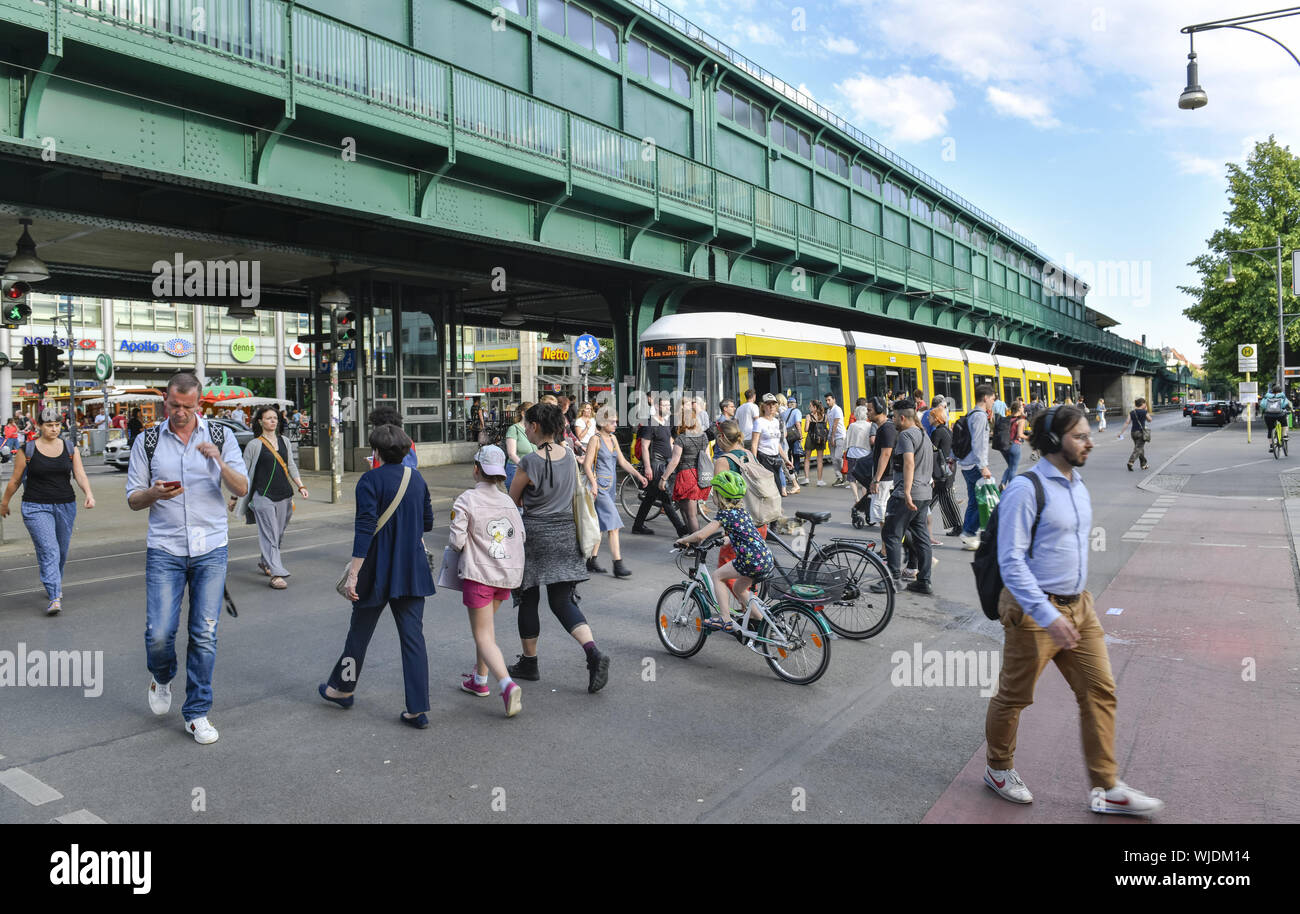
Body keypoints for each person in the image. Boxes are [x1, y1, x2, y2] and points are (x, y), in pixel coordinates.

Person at [984, 405, 1164, 816]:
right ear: (1052, 441)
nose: (1090, 441)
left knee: (1100, 691)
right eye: (1080, 436)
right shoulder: (1025, 489)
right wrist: (1049, 618)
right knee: (1015, 697)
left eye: (1088, 434)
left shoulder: (1077, 483)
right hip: (1035, 611)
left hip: (1080, 606)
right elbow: (1010, 562)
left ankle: (1106, 787)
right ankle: (998, 768)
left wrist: (1077, 605)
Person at [127, 372, 249, 745]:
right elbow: (133, 499)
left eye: (188, 406)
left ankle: (197, 712)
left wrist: (219, 463)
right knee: (160, 633)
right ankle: (162, 676)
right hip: (165, 548)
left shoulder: (220, 436)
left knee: (205, 633)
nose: (180, 413)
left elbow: (242, 488)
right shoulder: (147, 441)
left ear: (200, 404)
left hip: (210, 547)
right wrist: (153, 494)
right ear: (166, 401)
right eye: (174, 405)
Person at [321, 424, 435, 729]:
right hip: (412, 570)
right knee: (414, 639)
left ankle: (343, 688)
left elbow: (365, 529)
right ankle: (417, 708)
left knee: (359, 634)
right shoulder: (417, 478)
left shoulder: (369, 480)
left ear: (375, 452)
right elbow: (427, 522)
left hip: (376, 570)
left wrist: (353, 575)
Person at [507, 402, 610, 692]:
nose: (526, 429)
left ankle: (530, 662)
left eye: (527, 425)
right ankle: (593, 653)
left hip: (536, 536)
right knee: (562, 601)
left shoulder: (529, 462)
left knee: (528, 599)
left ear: (536, 427)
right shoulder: (569, 457)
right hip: (567, 534)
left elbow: (512, 499)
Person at [448, 445, 525, 717]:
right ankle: (479, 681)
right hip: (504, 576)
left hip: (479, 575)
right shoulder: (508, 502)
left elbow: (456, 542)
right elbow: (521, 537)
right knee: (487, 633)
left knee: (482, 635)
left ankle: (506, 684)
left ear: (476, 469)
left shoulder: (466, 500)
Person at [1, 408, 96, 614]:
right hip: (35, 507)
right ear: (39, 426)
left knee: (60, 551)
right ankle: (54, 595)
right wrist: (4, 503)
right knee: (49, 550)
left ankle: (53, 582)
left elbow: (79, 474)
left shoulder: (70, 448)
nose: (54, 429)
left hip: (65, 505)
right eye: (49, 425)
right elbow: (15, 480)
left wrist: (88, 493)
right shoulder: (28, 449)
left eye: (57, 425)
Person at [673, 470, 774, 632]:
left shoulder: (725, 514)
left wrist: (683, 540)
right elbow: (742, 533)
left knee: (717, 576)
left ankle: (725, 619)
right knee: (739, 589)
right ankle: (762, 623)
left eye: (715, 492)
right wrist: (725, 539)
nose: (713, 495)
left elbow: (700, 535)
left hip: (750, 560)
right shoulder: (742, 512)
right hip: (765, 558)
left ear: (720, 495)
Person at [230, 406, 308, 590]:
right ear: (260, 421)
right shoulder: (254, 445)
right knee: (270, 534)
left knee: (278, 533)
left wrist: (301, 486)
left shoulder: (285, 441)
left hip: (284, 495)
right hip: (262, 495)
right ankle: (276, 574)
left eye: (275, 418)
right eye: (268, 418)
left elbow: (291, 466)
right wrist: (235, 496)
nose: (273, 421)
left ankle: (266, 562)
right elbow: (243, 473)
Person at [874, 399, 933, 595]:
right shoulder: (924, 434)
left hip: (906, 495)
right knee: (922, 538)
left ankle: (891, 580)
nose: (892, 419)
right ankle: (924, 581)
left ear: (902, 417)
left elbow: (908, 463)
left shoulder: (906, 435)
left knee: (891, 534)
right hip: (924, 493)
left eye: (893, 416)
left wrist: (906, 492)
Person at [583, 413, 645, 578]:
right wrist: (594, 484)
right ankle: (618, 563)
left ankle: (591, 560)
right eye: (612, 421)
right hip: (599, 488)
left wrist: (638, 476)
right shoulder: (595, 440)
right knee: (613, 525)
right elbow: (587, 465)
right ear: (602, 423)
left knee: (601, 524)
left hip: (610, 488)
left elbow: (623, 462)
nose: (616, 424)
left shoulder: (613, 439)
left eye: (616, 421)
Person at [631, 396, 688, 537]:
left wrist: (674, 456)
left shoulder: (666, 422)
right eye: (665, 405)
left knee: (650, 496)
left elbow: (669, 441)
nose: (668, 407)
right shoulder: (649, 424)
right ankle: (680, 528)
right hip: (655, 465)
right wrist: (648, 467)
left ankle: (637, 525)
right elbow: (644, 447)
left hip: (666, 463)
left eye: (669, 405)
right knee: (666, 497)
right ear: (657, 406)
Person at [661, 403, 712, 533]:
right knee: (684, 509)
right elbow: (707, 457)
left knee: (691, 514)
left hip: (686, 476)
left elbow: (674, 461)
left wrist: (664, 478)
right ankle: (690, 539)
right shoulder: (704, 437)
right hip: (699, 475)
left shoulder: (681, 439)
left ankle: (697, 546)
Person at [958, 384, 996, 550]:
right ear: (986, 398)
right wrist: (983, 466)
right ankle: (968, 533)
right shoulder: (980, 416)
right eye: (993, 399)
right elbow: (978, 443)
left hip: (966, 463)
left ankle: (969, 534)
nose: (993, 403)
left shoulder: (970, 413)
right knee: (983, 501)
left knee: (974, 500)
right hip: (975, 464)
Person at [854, 397, 895, 527]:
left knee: (880, 510)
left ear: (880, 409)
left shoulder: (886, 429)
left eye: (870, 410)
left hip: (884, 478)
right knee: (881, 510)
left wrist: (876, 480)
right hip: (884, 477)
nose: (867, 413)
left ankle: (885, 546)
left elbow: (886, 454)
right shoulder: (883, 428)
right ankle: (886, 545)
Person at [749, 393, 793, 497]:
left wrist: (786, 460)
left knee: (776, 490)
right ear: (763, 406)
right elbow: (754, 444)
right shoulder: (759, 422)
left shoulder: (775, 422)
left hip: (776, 459)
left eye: (774, 404)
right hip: (764, 458)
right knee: (772, 489)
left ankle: (772, 511)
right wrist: (755, 463)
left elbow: (777, 443)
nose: (771, 406)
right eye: (768, 404)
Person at [929, 400, 962, 537]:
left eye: (931, 416)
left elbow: (933, 452)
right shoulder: (947, 430)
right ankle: (957, 526)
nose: (928, 418)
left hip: (942, 470)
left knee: (946, 497)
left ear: (936, 418)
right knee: (942, 496)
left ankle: (959, 526)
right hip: (949, 467)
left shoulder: (937, 433)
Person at [368, 404, 420, 469]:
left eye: (376, 426)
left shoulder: (392, 442)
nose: (375, 429)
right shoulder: (406, 440)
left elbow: (407, 467)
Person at [844, 404, 873, 515]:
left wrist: (845, 450)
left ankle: (856, 498)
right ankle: (864, 499)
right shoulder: (869, 425)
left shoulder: (852, 426)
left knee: (852, 478)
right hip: (865, 454)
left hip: (852, 454)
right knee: (865, 479)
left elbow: (847, 440)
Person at [503, 401, 535, 489]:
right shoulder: (513, 429)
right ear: (523, 413)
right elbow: (511, 454)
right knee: (515, 501)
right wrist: (525, 467)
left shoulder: (534, 429)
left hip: (532, 469)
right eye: (532, 413)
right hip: (515, 469)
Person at [1116, 397, 1153, 471]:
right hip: (1141, 432)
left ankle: (1143, 465)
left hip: (1133, 433)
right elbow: (1150, 420)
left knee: (1140, 448)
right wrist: (1146, 411)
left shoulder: (1132, 412)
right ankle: (1131, 462)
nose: (1145, 405)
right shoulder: (1144, 412)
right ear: (1142, 404)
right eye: (1145, 403)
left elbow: (1127, 422)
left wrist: (1121, 432)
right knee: (1138, 448)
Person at [1000, 402, 1028, 491]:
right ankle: (1013, 488)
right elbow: (1020, 435)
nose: (1023, 408)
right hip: (1014, 446)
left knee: (1010, 466)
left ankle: (1003, 483)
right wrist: (1030, 438)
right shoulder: (1021, 420)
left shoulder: (1007, 419)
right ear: (1019, 409)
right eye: (1022, 407)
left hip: (1004, 446)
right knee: (1013, 468)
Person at [778, 395, 804, 490]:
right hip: (794, 435)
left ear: (788, 404)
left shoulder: (784, 413)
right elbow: (798, 423)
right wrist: (800, 435)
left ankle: (790, 474)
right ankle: (795, 472)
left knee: (788, 455)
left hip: (786, 436)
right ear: (795, 404)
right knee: (796, 454)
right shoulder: (797, 411)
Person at [802, 400, 830, 485]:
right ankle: (820, 480)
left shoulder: (809, 416)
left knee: (807, 459)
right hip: (821, 439)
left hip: (811, 438)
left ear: (814, 407)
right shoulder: (825, 416)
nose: (809, 407)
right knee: (820, 460)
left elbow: (806, 430)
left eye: (810, 406)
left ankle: (806, 479)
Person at [825, 393, 847, 487]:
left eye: (829, 400)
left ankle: (845, 474)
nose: (827, 402)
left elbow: (835, 424)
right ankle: (839, 477)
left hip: (839, 436)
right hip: (831, 436)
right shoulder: (828, 411)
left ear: (834, 399)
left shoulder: (837, 409)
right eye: (826, 400)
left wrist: (832, 437)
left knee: (838, 457)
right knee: (833, 459)